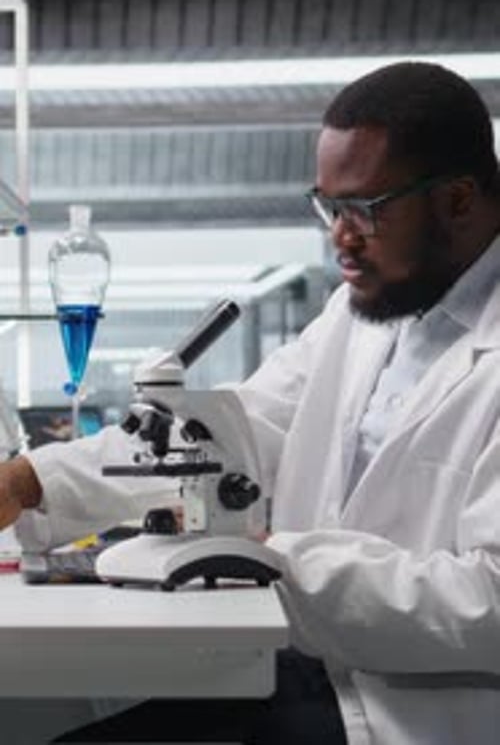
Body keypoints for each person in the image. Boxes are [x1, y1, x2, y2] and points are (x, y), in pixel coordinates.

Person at [2, 60, 500, 745]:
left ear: (460, 200)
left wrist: (273, 558)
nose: (339, 237)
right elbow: (228, 430)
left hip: (423, 716)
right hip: (311, 670)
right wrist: (31, 481)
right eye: (328, 206)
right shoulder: (360, 315)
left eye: (365, 209)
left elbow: (489, 606)